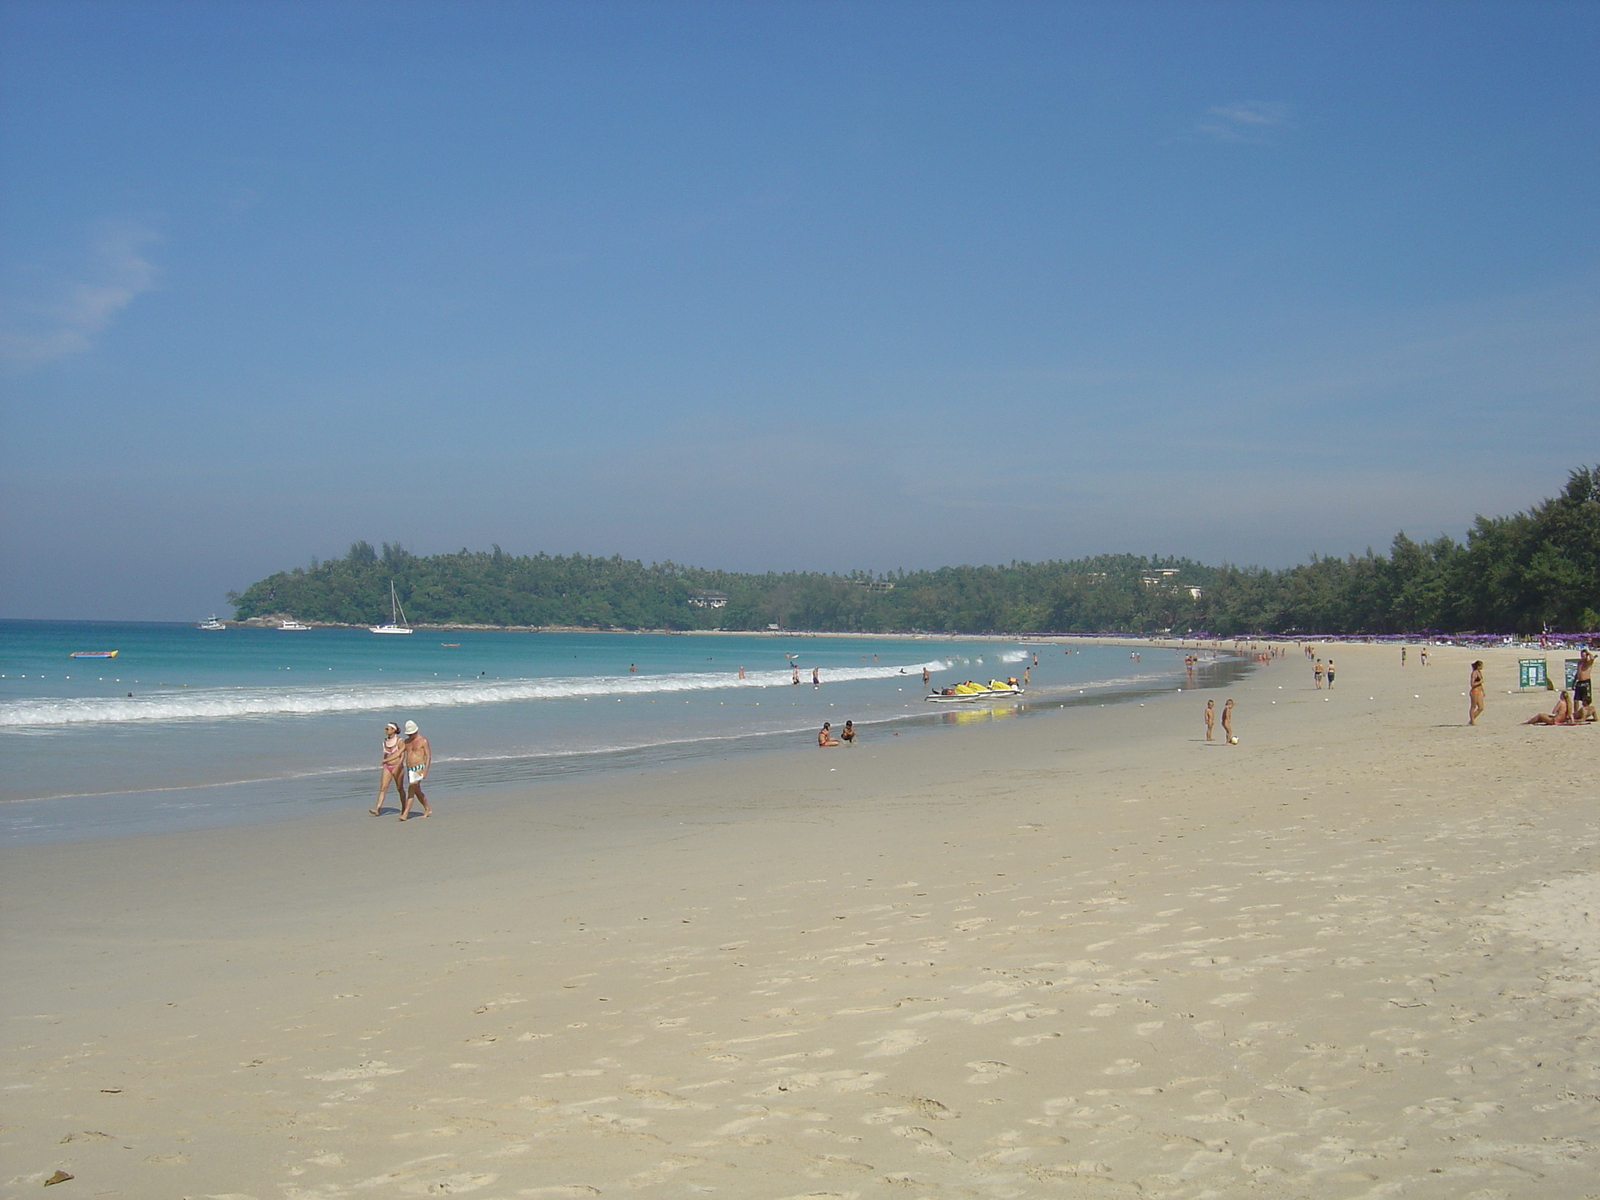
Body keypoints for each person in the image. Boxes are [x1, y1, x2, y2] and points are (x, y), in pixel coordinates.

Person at [398, 719, 432, 820]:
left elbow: (428, 756)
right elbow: (399, 753)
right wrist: (388, 760)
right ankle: (427, 808)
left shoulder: (423, 741)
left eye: (411, 734)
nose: (410, 736)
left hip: (419, 767)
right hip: (410, 769)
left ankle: (405, 814)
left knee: (411, 789)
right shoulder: (406, 742)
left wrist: (425, 770)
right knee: (417, 791)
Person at [369, 722, 406, 815]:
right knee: (383, 788)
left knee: (399, 788)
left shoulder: (400, 741)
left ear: (394, 730)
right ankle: (377, 809)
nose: (385, 730)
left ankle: (404, 807)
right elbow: (386, 754)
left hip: (397, 766)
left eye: (387, 729)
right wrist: (384, 761)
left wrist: (398, 766)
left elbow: (402, 756)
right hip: (387, 767)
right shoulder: (384, 741)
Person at [1575, 649, 1594, 713]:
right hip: (1579, 682)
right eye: (1581, 656)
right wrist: (1574, 681)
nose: (1582, 657)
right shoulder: (1579, 662)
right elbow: (1577, 672)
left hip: (1586, 682)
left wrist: (1588, 653)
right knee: (1576, 700)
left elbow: (1592, 658)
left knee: (1586, 700)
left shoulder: (1588, 662)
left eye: (1584, 656)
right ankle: (1576, 713)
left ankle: (1586, 712)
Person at [1468, 661, 1486, 726]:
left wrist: (1483, 691)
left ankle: (1472, 719)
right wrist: (1480, 682)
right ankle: (1472, 720)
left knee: (1481, 707)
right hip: (1474, 691)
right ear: (1478, 666)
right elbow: (1472, 684)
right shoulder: (1474, 673)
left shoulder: (1479, 672)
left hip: (1479, 690)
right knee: (1473, 706)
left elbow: (1481, 684)